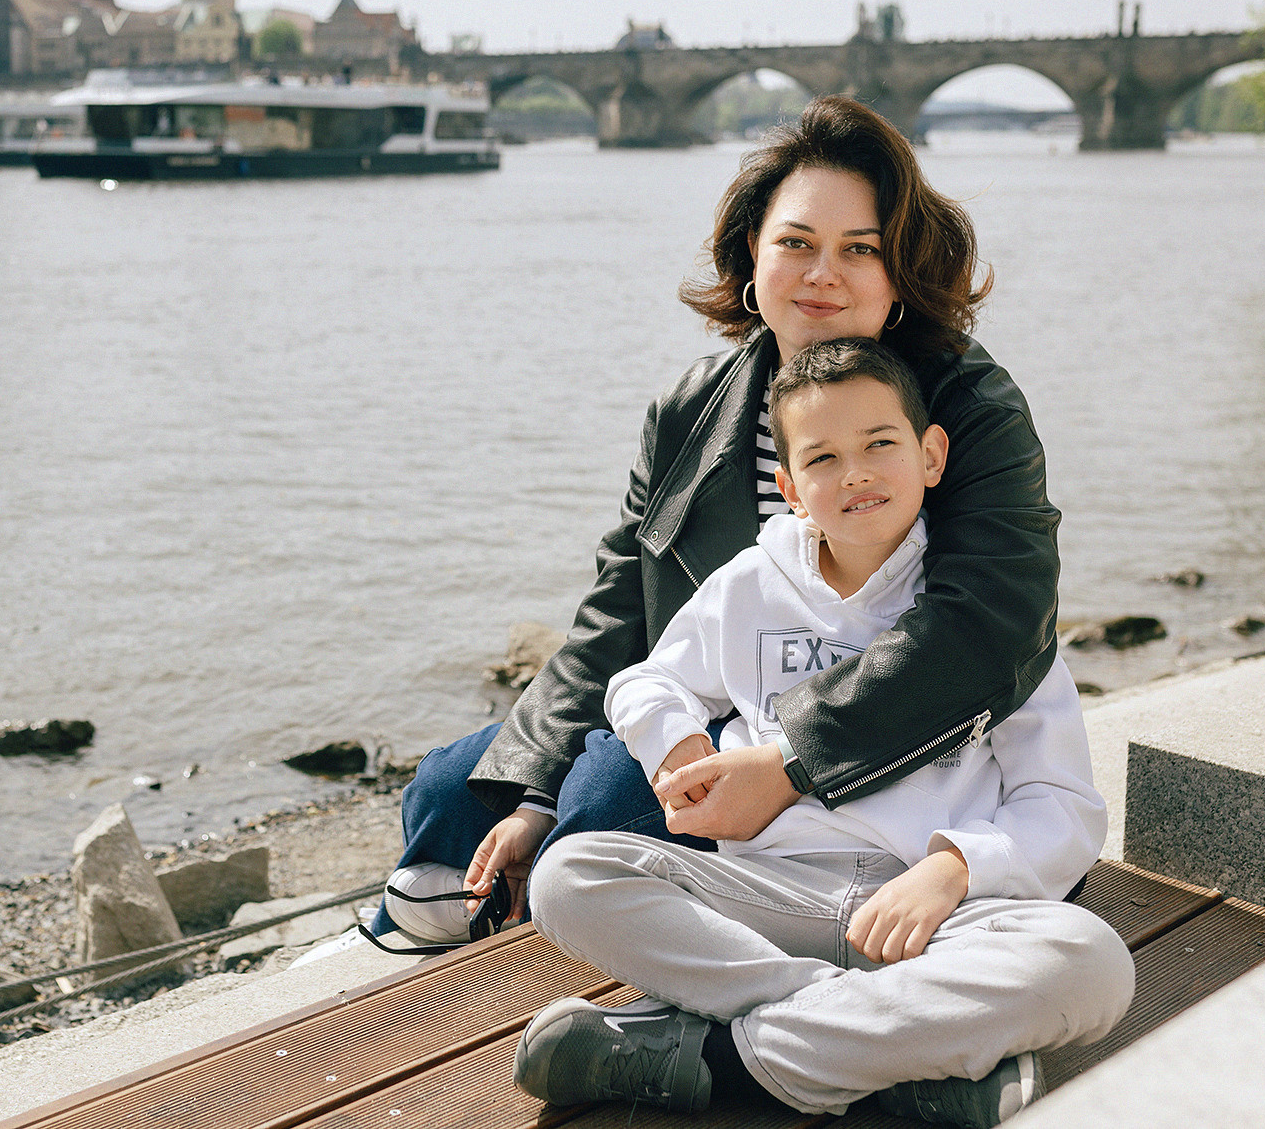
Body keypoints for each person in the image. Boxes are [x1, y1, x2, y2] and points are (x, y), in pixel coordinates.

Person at [373, 95, 1060, 944]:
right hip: (685, 702)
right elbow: (620, 609)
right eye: (796, 245)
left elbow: (992, 618)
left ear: (899, 277)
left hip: (855, 728)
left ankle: (541, 953)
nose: (823, 274)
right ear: (752, 259)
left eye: (860, 250)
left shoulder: (969, 405)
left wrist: (790, 764)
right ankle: (461, 929)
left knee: (601, 815)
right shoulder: (690, 408)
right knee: (452, 792)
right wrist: (533, 780)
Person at [513, 338, 1131, 1127]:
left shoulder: (988, 609)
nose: (857, 473)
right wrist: (679, 744)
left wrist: (949, 872)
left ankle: (716, 1060)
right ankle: (891, 1048)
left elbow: (1063, 805)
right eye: (825, 458)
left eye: (880, 444)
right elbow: (646, 679)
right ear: (790, 486)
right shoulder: (750, 587)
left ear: (932, 454)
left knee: (1091, 963)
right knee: (570, 875)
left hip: (927, 913)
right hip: (769, 898)